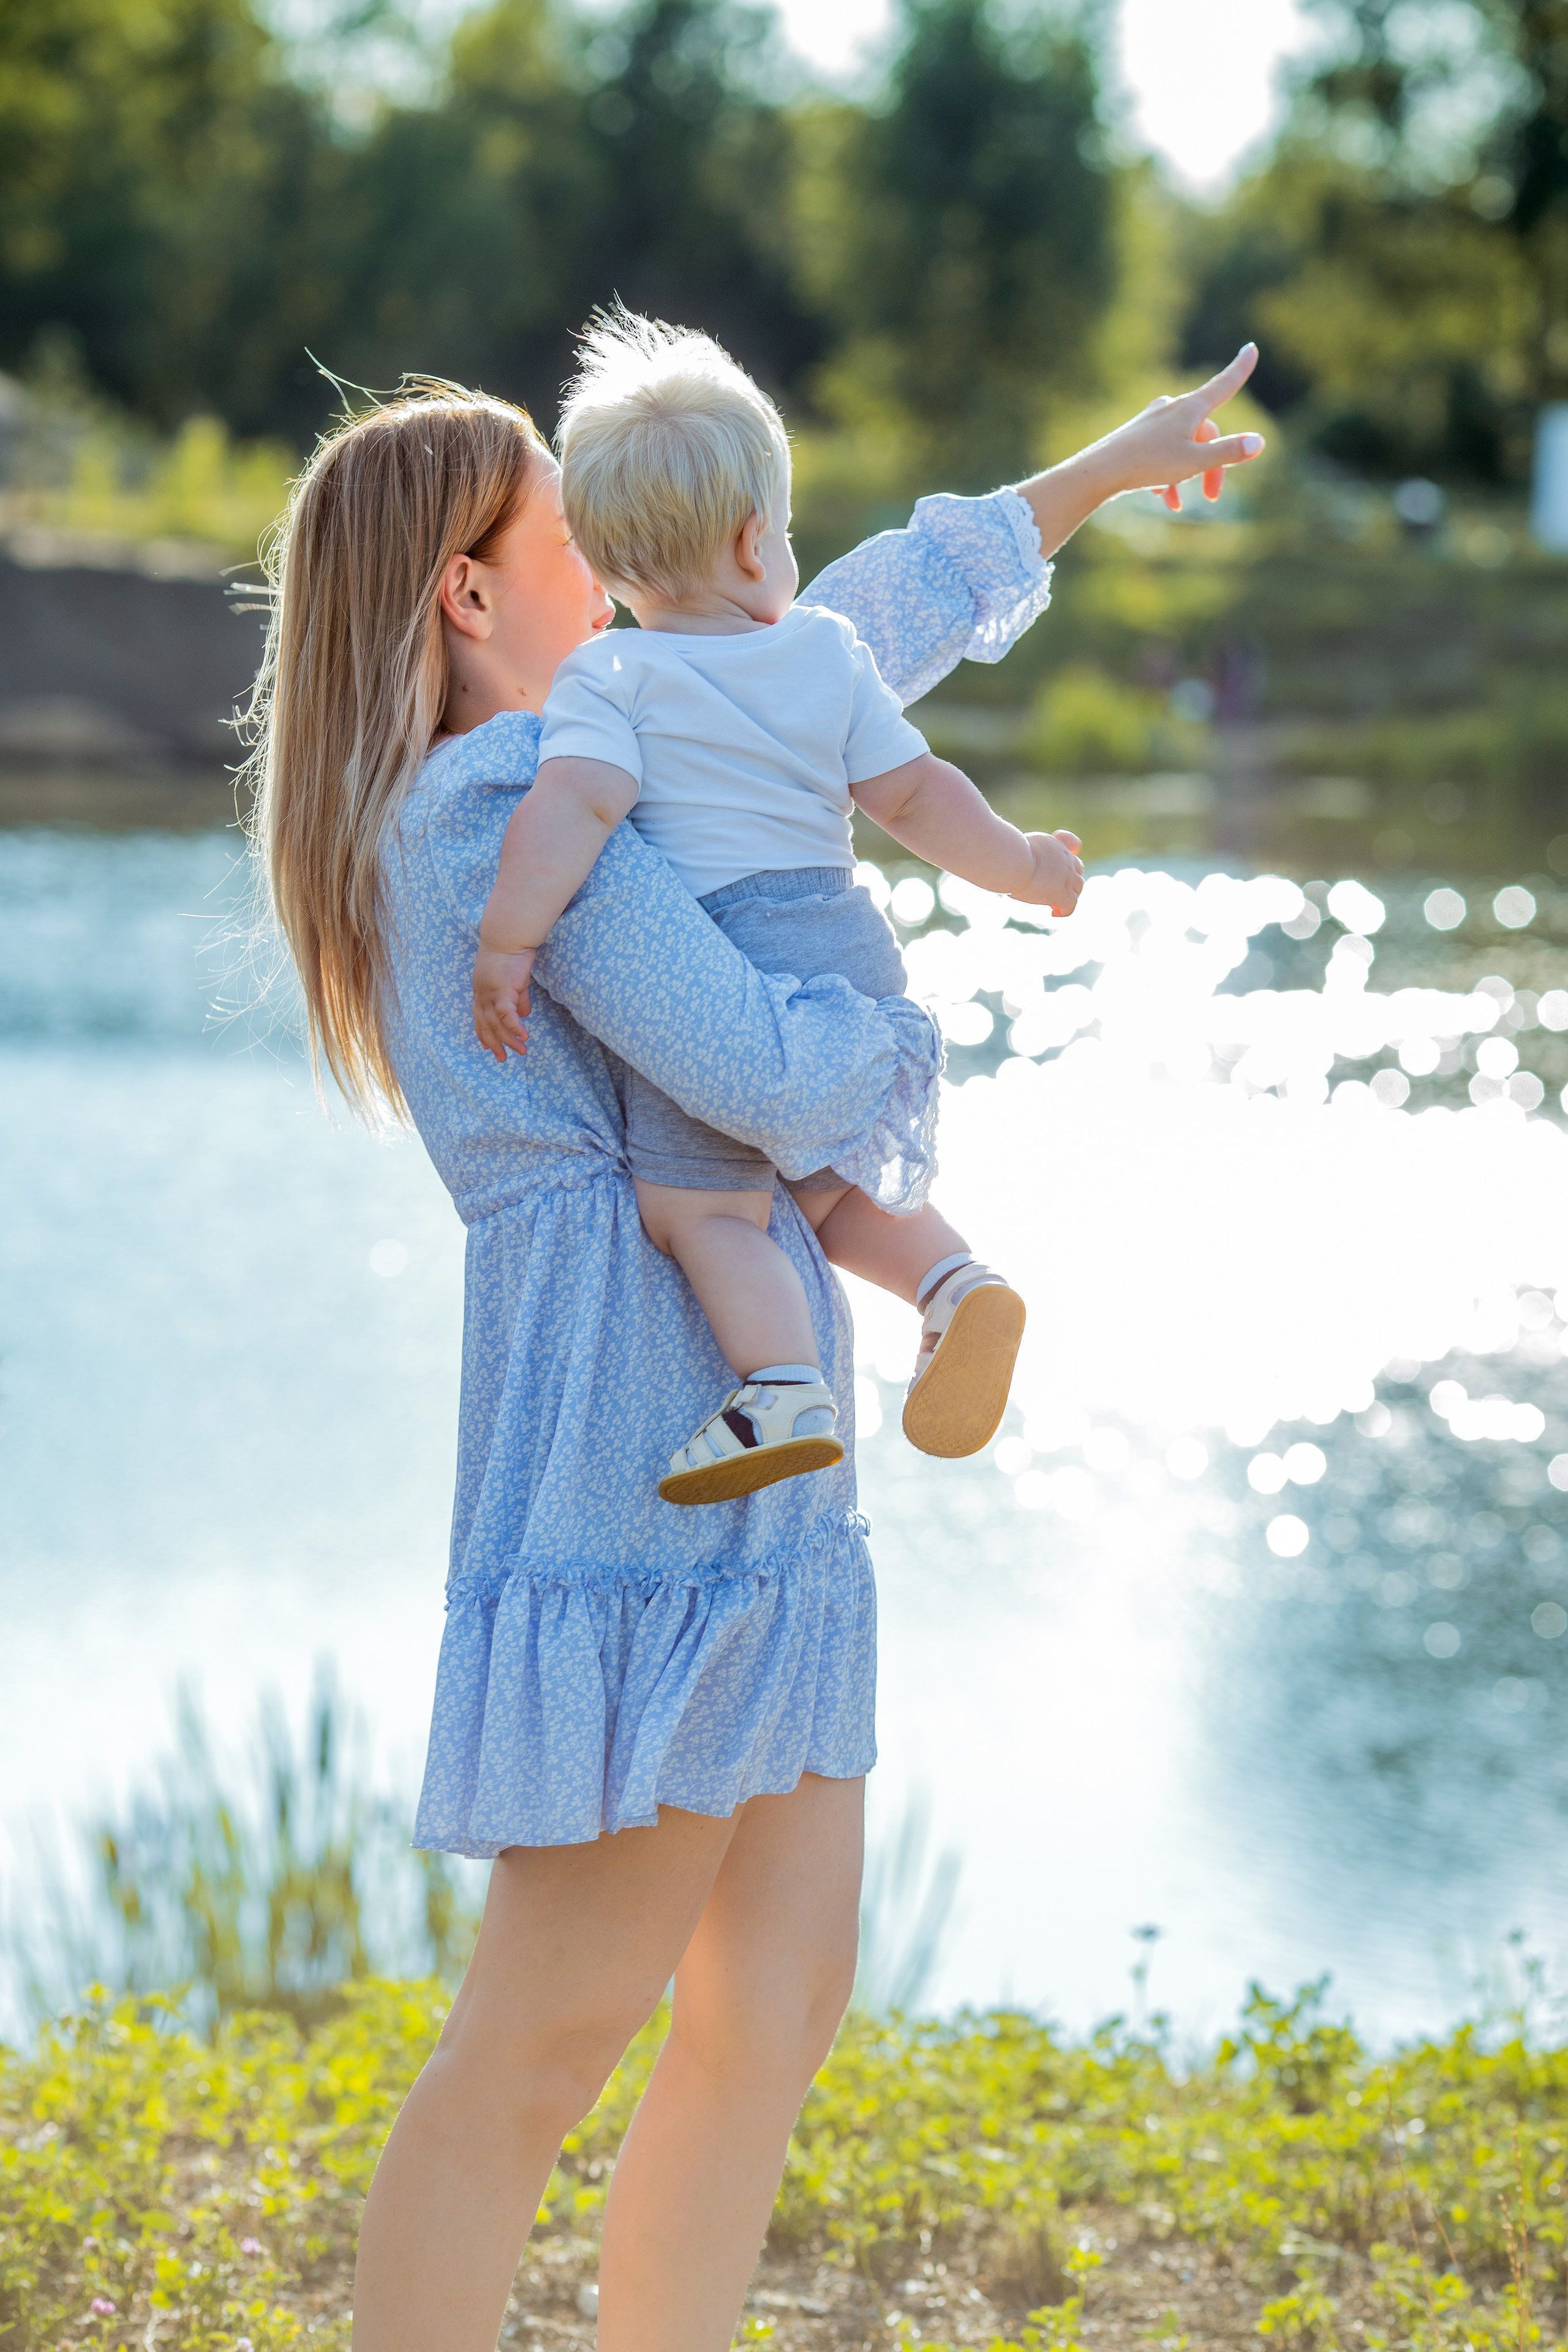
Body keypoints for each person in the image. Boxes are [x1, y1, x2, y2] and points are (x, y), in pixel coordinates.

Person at [246, 340, 1264, 2352]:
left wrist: (1101, 468)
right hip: (643, 1451)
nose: (619, 577)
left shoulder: (618, 726)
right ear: (472, 592)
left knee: (768, 2022)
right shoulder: (492, 808)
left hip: (755, 1456)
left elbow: (834, 627)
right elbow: (749, 1074)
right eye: (568, 538)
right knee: (541, 2048)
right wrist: (889, 1046)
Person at [471, 312, 1086, 1504]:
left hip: (730, 965)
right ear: (757, 543)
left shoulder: (609, 674)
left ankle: (780, 1385)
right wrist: (1022, 867)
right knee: (828, 1180)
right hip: (844, 946)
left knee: (701, 1210)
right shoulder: (824, 652)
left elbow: (576, 807)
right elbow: (912, 793)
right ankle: (952, 1282)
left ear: (603, 573)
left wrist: (507, 939)